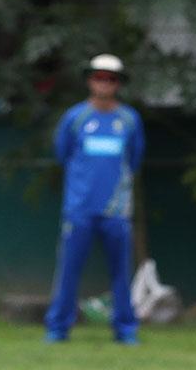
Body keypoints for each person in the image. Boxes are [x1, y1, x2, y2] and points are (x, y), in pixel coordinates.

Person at [45, 54, 143, 345]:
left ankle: (125, 330)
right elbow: (62, 154)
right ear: (90, 81)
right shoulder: (76, 118)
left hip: (116, 211)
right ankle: (58, 329)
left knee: (121, 273)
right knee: (68, 272)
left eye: (110, 79)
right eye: (99, 77)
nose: (104, 84)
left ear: (118, 84)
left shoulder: (128, 120)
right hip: (79, 209)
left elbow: (134, 159)